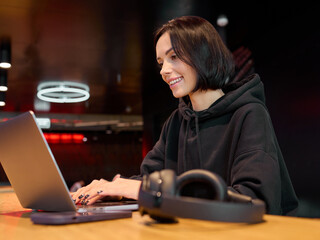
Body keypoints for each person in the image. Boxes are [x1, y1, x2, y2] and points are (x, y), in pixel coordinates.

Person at [71, 16, 298, 215]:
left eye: (174, 57)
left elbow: (255, 200)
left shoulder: (249, 114)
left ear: (204, 55)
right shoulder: (176, 122)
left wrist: (142, 189)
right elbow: (150, 179)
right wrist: (113, 190)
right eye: (161, 62)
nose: (163, 70)